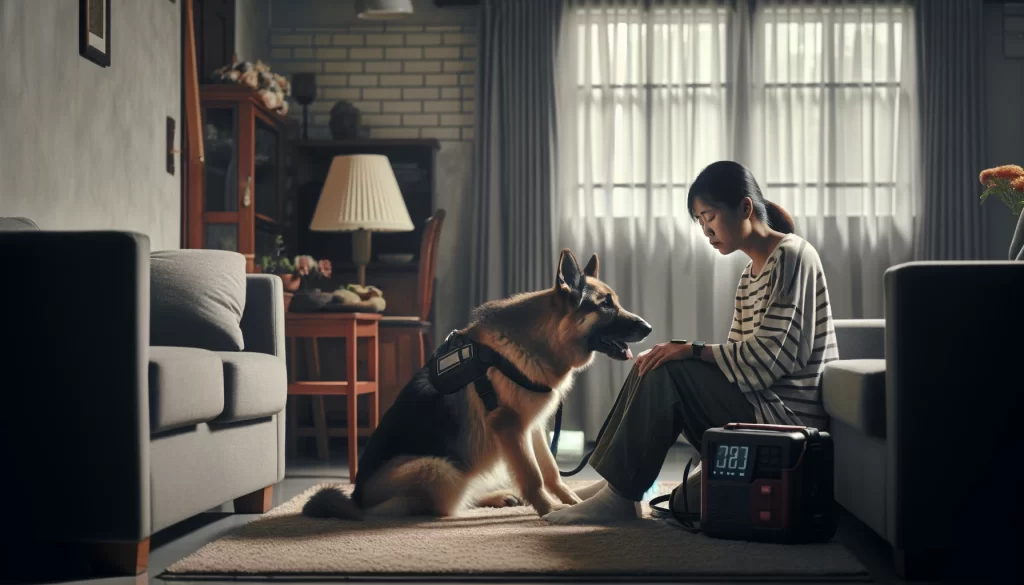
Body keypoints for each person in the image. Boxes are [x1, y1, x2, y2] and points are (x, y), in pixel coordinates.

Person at [544, 160, 839, 525]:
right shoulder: (750, 275)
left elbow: (769, 360)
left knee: (668, 366)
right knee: (654, 362)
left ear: (745, 208)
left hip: (787, 425)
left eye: (709, 217)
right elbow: (737, 365)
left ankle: (617, 498)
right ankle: (614, 484)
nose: (706, 230)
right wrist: (681, 352)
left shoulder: (793, 256)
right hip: (759, 410)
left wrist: (689, 351)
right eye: (700, 222)